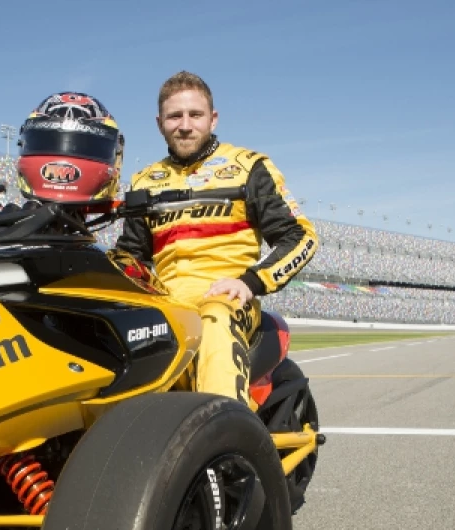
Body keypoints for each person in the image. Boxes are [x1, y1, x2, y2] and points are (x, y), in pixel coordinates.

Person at [113, 71, 318, 405]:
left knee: (215, 316)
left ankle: (226, 429)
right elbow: (130, 255)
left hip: (228, 303)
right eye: (174, 116)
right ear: (159, 123)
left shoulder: (249, 167)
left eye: (195, 115)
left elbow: (301, 237)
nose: (185, 125)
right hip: (169, 308)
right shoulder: (143, 182)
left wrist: (250, 282)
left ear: (213, 118)